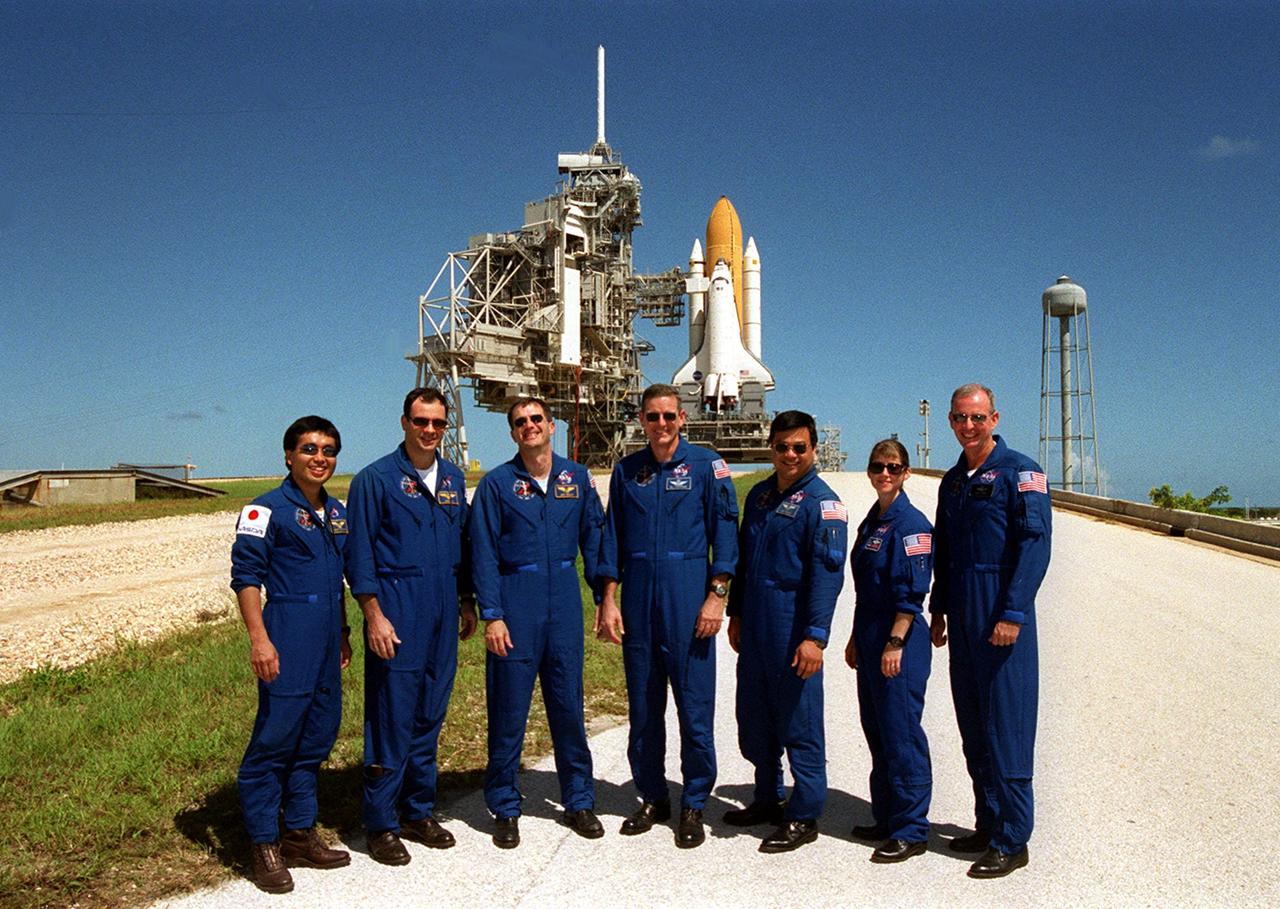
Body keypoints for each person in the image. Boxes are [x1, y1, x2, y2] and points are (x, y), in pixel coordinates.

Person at [597, 383, 739, 848]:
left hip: (687, 600)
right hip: (639, 601)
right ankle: (653, 797)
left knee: (694, 709)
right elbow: (612, 539)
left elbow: (725, 531)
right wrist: (609, 599)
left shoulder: (706, 466)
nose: (661, 425)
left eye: (669, 416)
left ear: (683, 418)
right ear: (642, 420)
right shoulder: (627, 471)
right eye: (652, 417)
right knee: (643, 708)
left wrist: (717, 596)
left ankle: (694, 802)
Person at [345, 388, 478, 866]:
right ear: (404, 422)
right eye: (421, 421)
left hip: (443, 606)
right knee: (391, 715)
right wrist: (373, 614)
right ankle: (380, 821)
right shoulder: (375, 480)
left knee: (430, 712)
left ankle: (417, 810)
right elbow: (359, 556)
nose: (429, 431)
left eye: (438, 423)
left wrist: (466, 601)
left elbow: (460, 548)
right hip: (396, 608)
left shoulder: (452, 479)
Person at [469, 397, 606, 849]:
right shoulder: (497, 484)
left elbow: (595, 541)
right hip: (516, 601)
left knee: (568, 706)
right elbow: (483, 554)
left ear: (551, 425)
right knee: (509, 710)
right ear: (513, 433)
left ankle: (580, 800)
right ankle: (505, 806)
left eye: (536, 420)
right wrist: (492, 615)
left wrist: (607, 599)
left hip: (564, 599)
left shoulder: (577, 478)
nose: (529, 427)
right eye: (519, 423)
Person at [930, 383, 1051, 878]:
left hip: (1001, 614)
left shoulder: (1022, 473)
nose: (969, 426)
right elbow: (946, 552)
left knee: (1008, 729)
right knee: (975, 728)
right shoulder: (953, 482)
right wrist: (937, 607)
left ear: (994, 418)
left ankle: (1012, 839)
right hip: (962, 615)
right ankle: (987, 822)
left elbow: (1035, 545)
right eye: (960, 418)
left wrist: (1013, 612)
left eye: (977, 417)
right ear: (951, 421)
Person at [231, 415, 353, 894]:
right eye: (309, 449)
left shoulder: (336, 512)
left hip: (326, 641)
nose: (319, 458)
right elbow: (246, 579)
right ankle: (264, 843)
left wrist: (343, 632)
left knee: (317, 737)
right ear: (288, 455)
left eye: (327, 450)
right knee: (275, 742)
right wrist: (260, 640)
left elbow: (338, 578)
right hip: (286, 635)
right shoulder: (265, 510)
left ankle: (300, 833)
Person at [726, 410, 847, 853]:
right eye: (782, 447)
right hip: (755, 623)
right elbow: (742, 560)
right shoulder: (758, 497)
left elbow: (828, 575)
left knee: (798, 720)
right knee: (755, 717)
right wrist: (736, 612)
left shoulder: (823, 504)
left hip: (792, 624)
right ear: (771, 448)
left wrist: (815, 637)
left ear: (813, 449)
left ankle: (804, 813)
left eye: (799, 447)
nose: (790, 455)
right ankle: (766, 796)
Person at [845, 438, 933, 864]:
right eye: (878, 466)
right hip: (870, 632)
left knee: (901, 734)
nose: (885, 473)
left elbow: (912, 595)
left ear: (906, 473)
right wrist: (855, 639)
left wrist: (895, 642)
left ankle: (912, 828)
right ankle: (887, 816)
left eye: (893, 468)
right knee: (877, 732)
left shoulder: (911, 524)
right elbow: (864, 589)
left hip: (901, 640)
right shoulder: (873, 522)